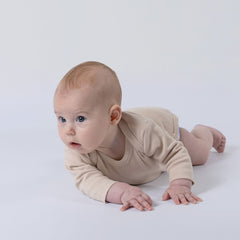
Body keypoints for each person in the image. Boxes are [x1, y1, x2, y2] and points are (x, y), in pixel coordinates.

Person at [54, 61, 226, 211]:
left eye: (80, 119)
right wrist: (122, 192)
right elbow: (88, 181)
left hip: (166, 131)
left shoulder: (143, 132)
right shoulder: (75, 150)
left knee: (201, 155)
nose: (68, 130)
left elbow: (174, 153)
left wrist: (179, 184)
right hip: (144, 145)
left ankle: (204, 132)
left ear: (113, 117)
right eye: (62, 118)